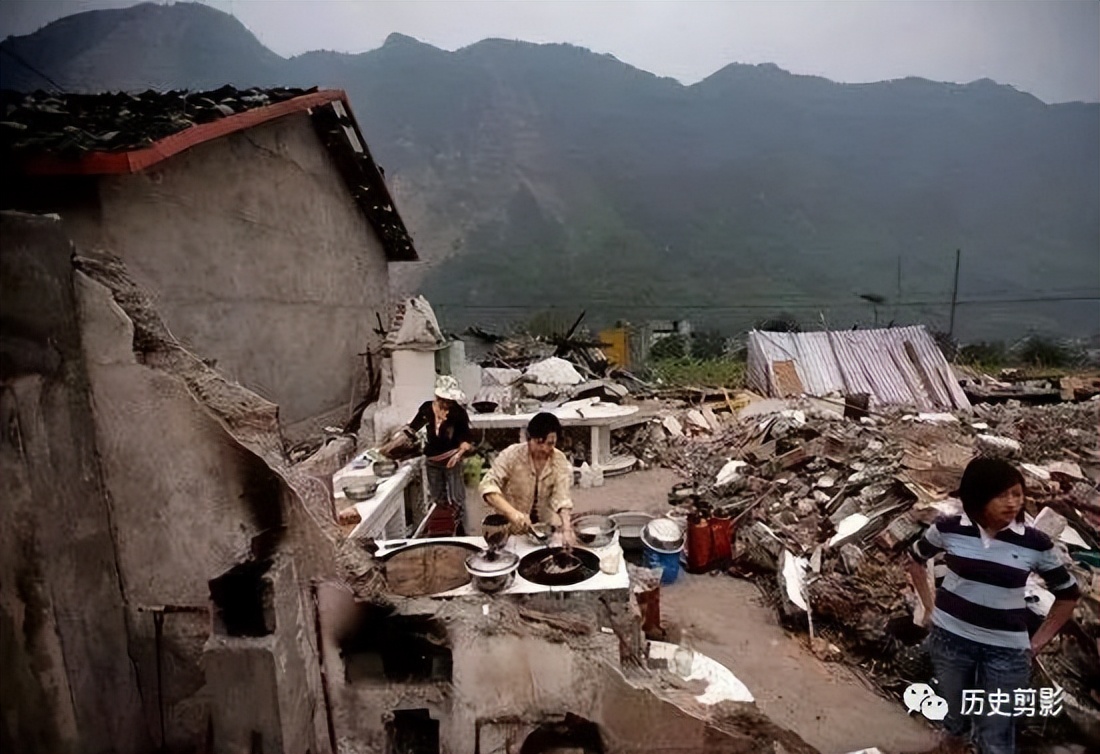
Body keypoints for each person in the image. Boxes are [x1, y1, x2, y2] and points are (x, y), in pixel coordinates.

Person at [906, 457, 1080, 754]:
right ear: (978, 496)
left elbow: (1068, 595)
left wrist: (1035, 644)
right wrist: (930, 608)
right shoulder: (949, 528)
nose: (1012, 502)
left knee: (996, 735)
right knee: (955, 718)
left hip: (1006, 652)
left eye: (1017, 493)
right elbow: (916, 559)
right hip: (950, 641)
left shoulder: (1035, 543)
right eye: (1001, 495)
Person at [390, 375, 475, 533]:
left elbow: (466, 438)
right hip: (432, 461)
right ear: (437, 396)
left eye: (450, 401)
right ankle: (443, 529)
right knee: (437, 497)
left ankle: (463, 530)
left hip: (452, 458)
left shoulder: (458, 413)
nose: (447, 404)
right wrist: (392, 445)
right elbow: (412, 429)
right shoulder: (426, 409)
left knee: (457, 497)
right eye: (444, 400)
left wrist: (458, 454)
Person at [478, 412, 577, 548]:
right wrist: (512, 513)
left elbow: (562, 497)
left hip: (543, 530)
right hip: (510, 530)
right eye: (539, 442)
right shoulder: (511, 455)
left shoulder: (559, 460)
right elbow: (488, 485)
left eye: (550, 444)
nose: (544, 448)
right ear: (529, 438)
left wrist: (567, 529)